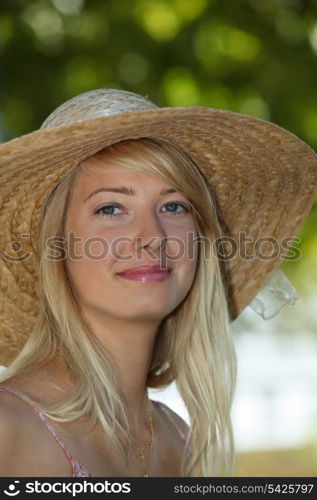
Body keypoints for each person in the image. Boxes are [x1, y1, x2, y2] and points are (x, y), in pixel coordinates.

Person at [0, 89, 316, 478]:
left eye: (173, 206)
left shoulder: (179, 439)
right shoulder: (9, 428)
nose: (152, 235)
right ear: (57, 245)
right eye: (111, 208)